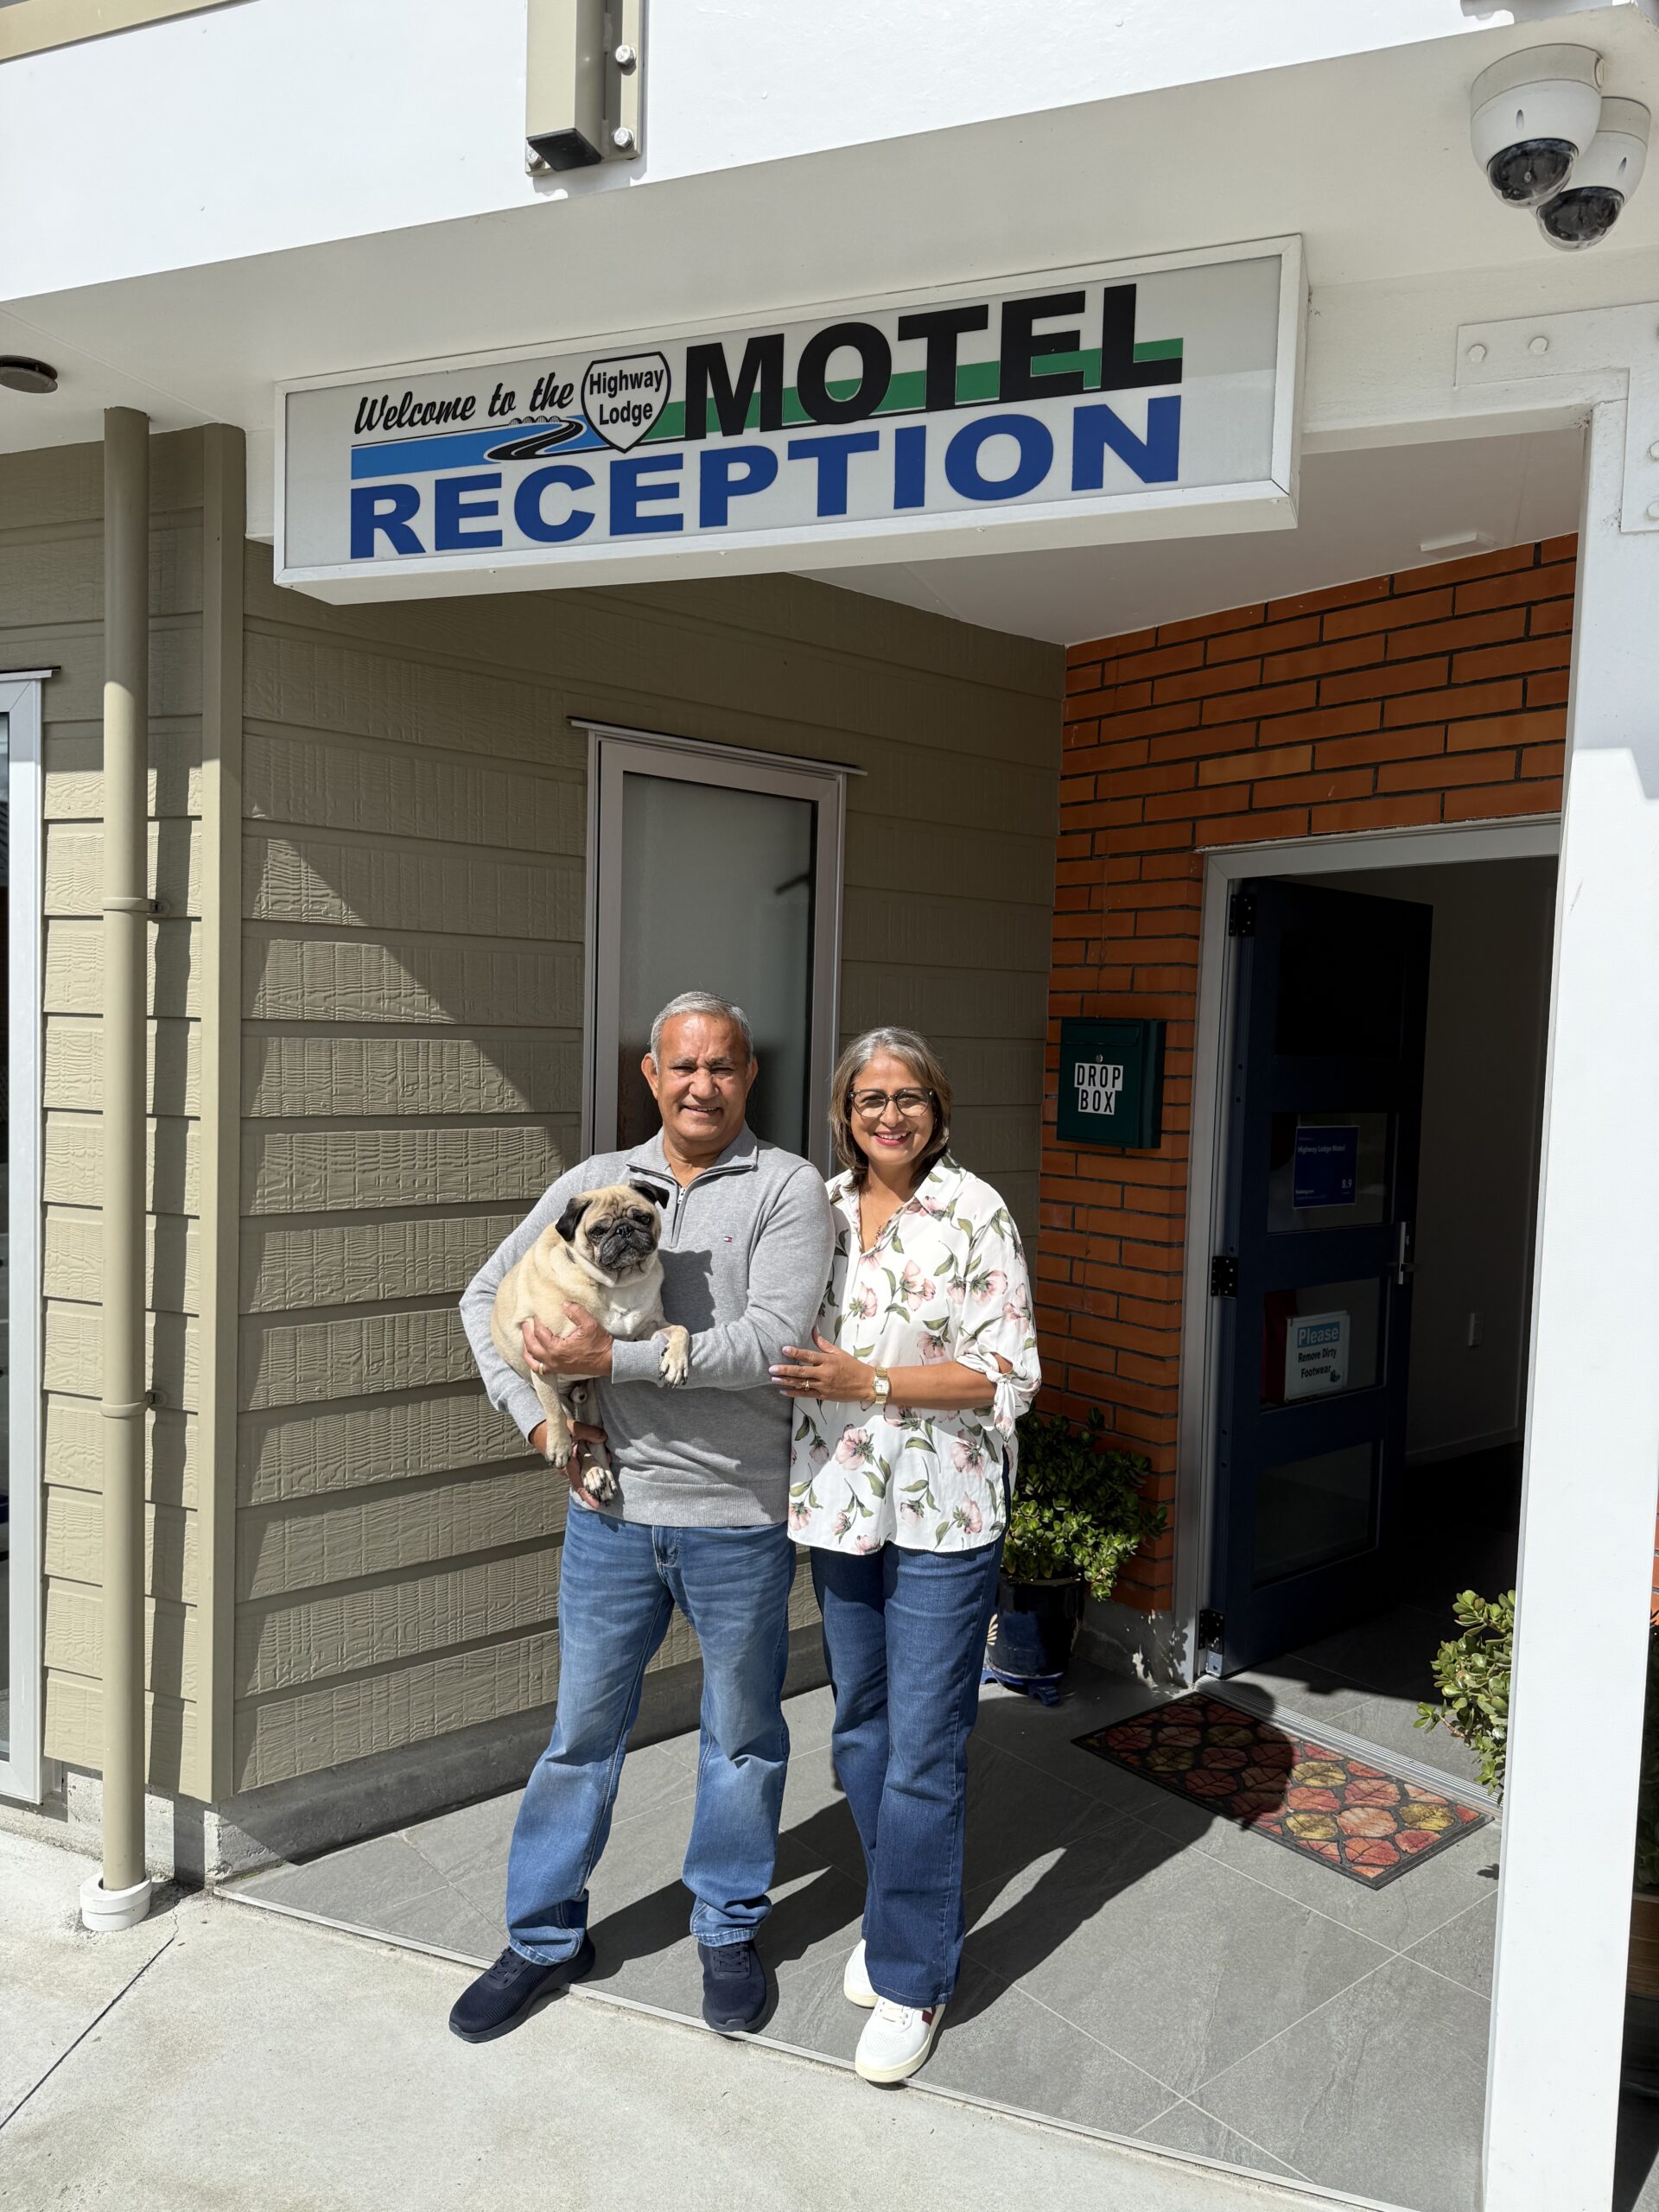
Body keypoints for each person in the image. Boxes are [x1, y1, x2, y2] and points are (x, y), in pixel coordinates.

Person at [449, 992, 833, 2044]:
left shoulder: (788, 1189)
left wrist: (605, 1361)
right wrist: (542, 1427)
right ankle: (541, 1936)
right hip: (609, 1516)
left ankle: (727, 1922)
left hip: (737, 1514)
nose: (701, 1084)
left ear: (749, 1077)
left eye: (722, 1066)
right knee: (580, 1735)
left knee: (743, 1735)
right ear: (651, 1077)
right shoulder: (589, 1184)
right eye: (681, 1066)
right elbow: (483, 1298)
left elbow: (771, 1342)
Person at [772, 1026, 1039, 2083]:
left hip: (945, 1512)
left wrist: (871, 1382)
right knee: (861, 1730)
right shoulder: (820, 1211)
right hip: (840, 1502)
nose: (890, 1113)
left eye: (910, 1096)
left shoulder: (975, 1210)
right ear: (844, 1110)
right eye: (870, 1097)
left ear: (939, 1107)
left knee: (926, 1742)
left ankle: (918, 1974)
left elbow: (1007, 1374)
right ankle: (899, 1919)